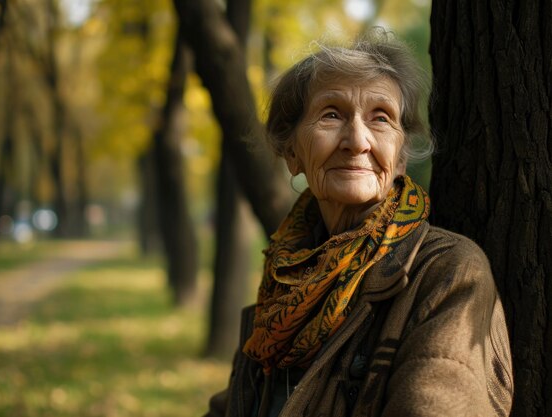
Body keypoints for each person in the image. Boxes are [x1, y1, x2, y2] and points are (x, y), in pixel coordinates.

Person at [205, 28, 513, 417]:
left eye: (380, 118)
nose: (357, 140)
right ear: (292, 152)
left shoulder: (446, 272)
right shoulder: (287, 271)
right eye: (331, 114)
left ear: (401, 156)